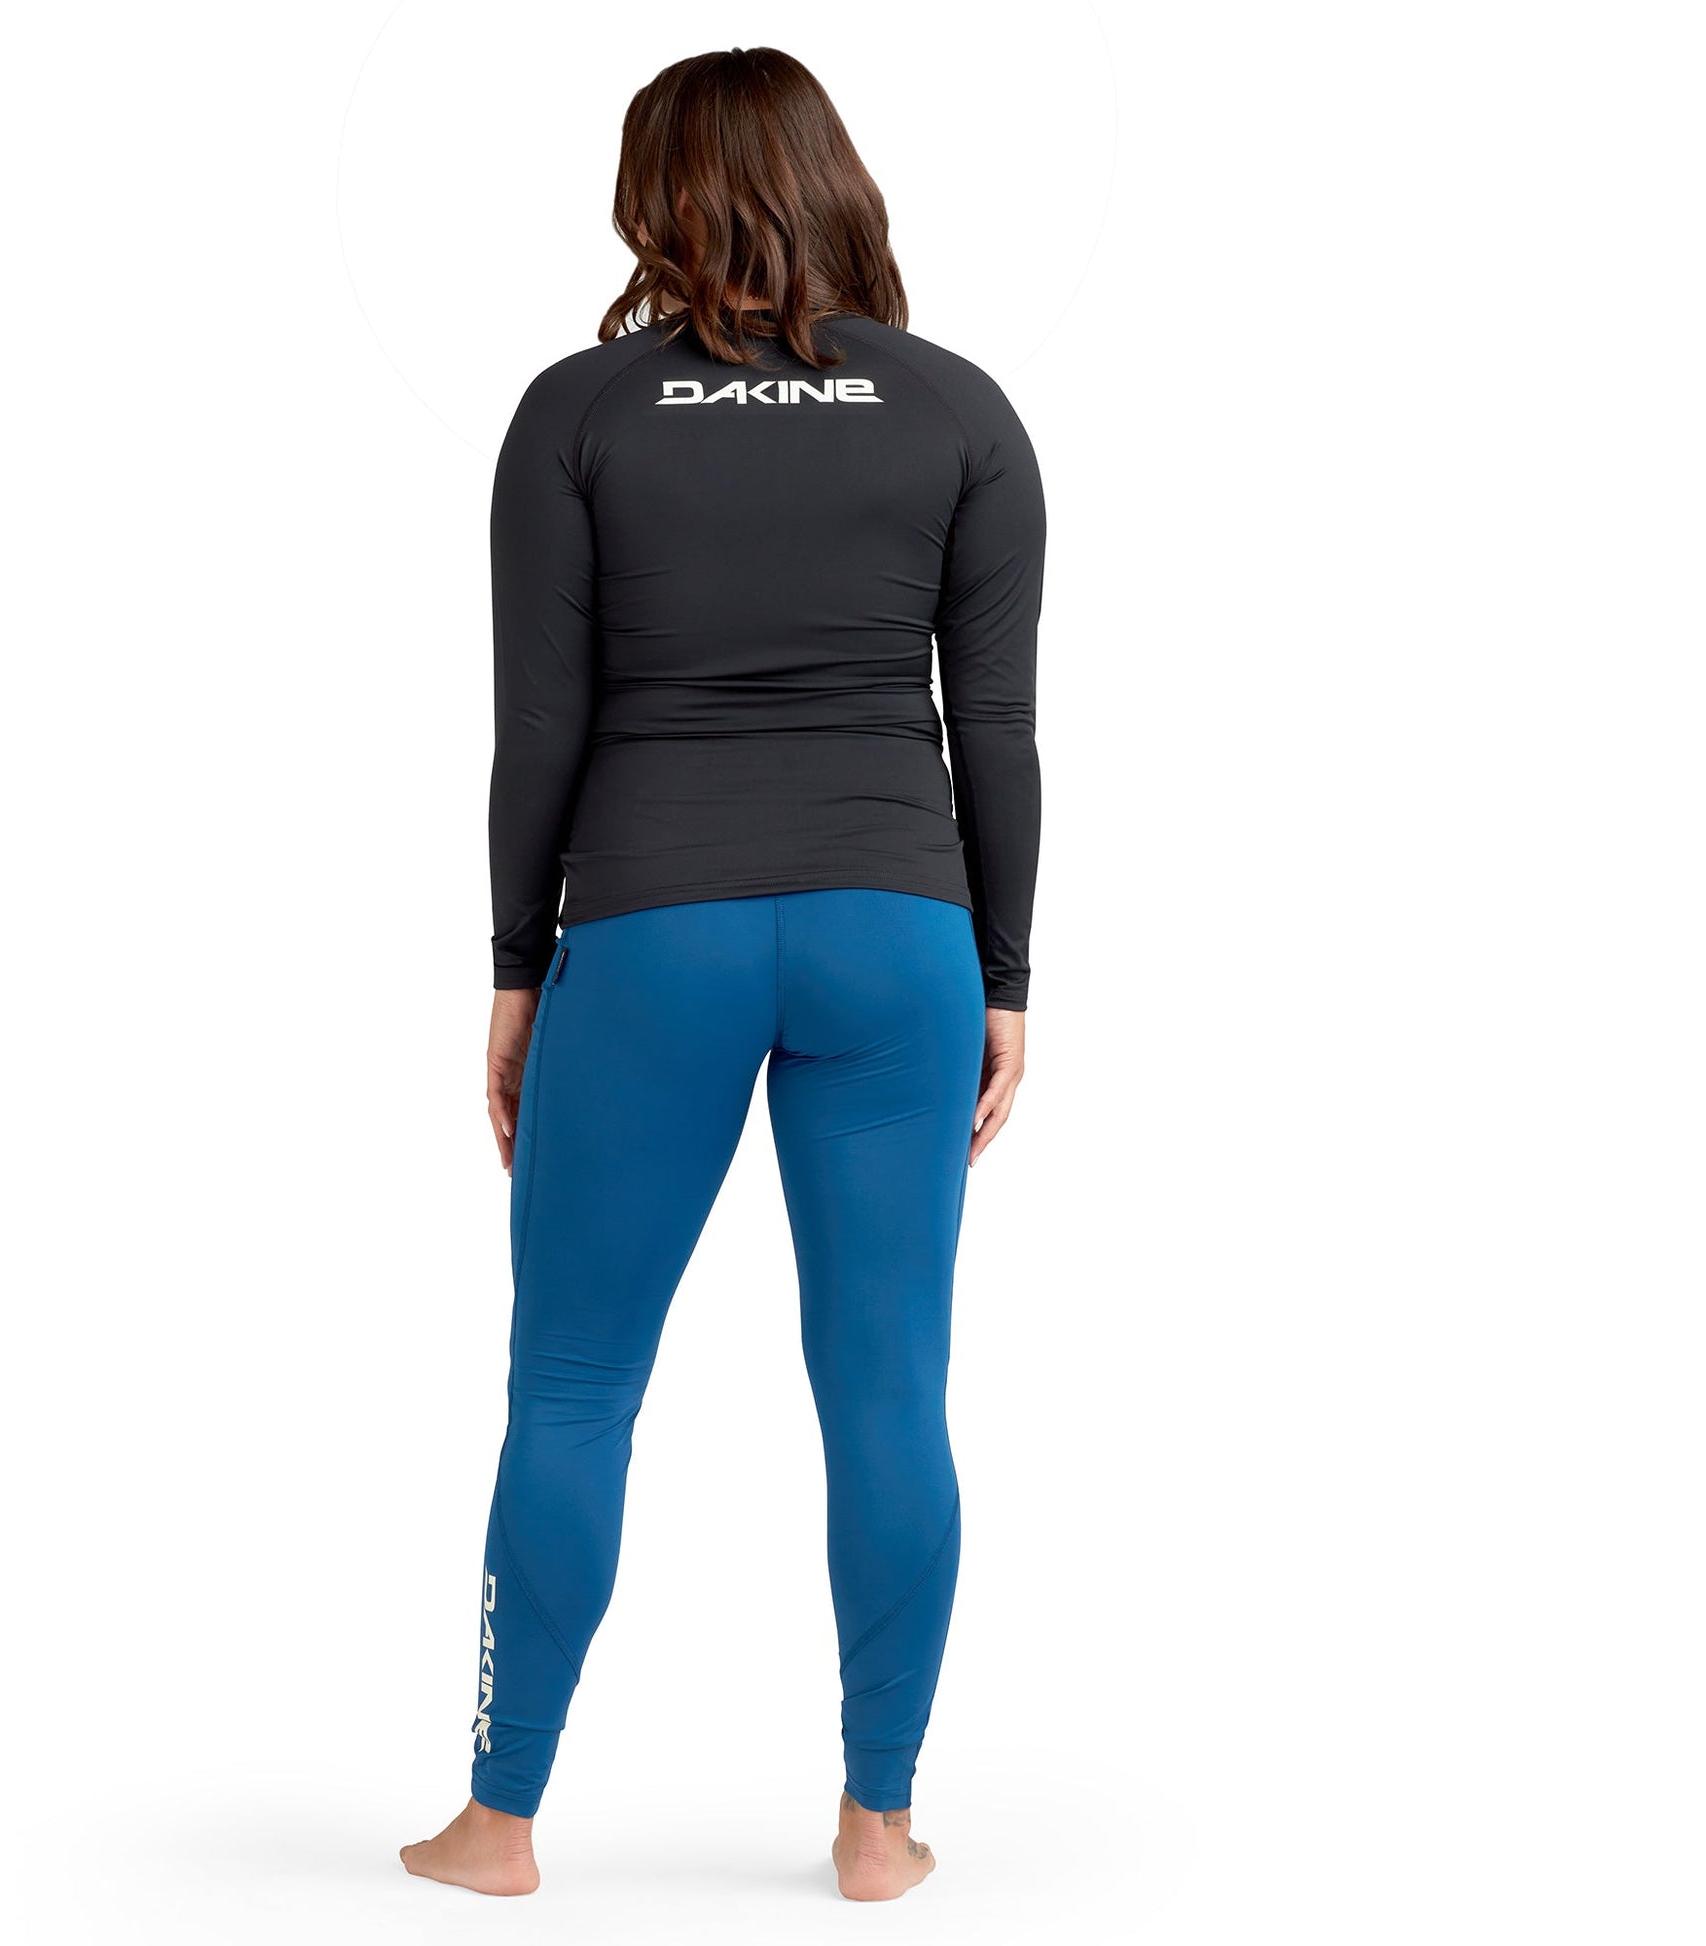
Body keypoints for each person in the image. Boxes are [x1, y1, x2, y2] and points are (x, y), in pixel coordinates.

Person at [401, 45, 1044, 1902]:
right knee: (887, 1392)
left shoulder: (579, 410)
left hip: (652, 933)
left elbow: (539, 728)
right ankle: (876, 1827)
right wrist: (1004, 976)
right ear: (837, 178)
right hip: (896, 938)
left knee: (573, 1384)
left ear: (649, 192)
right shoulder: (959, 410)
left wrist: (516, 969)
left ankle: (498, 1824)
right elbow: (994, 732)